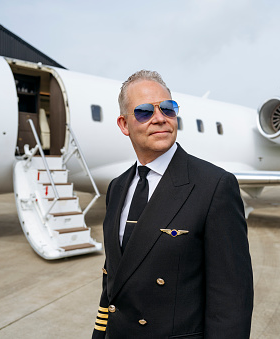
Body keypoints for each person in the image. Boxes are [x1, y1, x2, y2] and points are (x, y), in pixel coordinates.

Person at [92, 70, 253, 338]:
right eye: (144, 112)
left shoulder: (214, 186)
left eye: (167, 109)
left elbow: (231, 299)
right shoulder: (117, 188)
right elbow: (112, 282)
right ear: (123, 124)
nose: (159, 119)